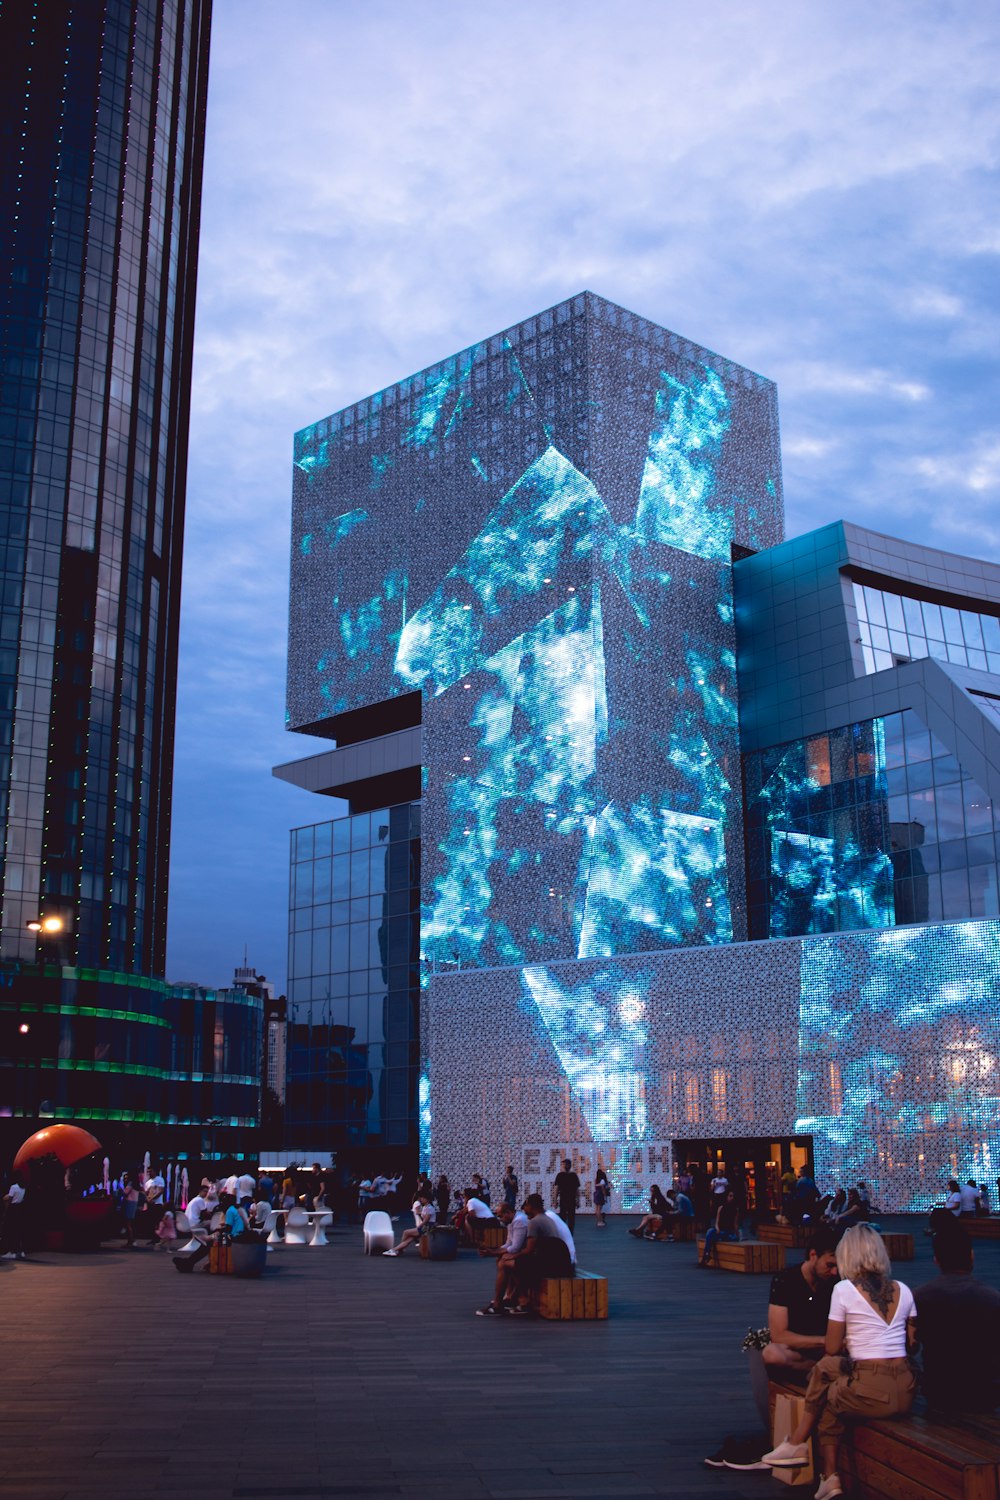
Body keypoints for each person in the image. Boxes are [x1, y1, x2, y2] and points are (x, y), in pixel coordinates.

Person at [763, 1224, 917, 1500]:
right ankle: (817, 1468)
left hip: (871, 1388)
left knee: (829, 1398)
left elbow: (833, 1347)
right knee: (826, 1371)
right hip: (906, 1387)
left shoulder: (844, 1290)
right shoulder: (904, 1289)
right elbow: (912, 1345)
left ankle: (811, 1458)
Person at [914, 1219, 1000, 1413]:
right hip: (987, 1392)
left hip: (939, 1391)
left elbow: (911, 1345)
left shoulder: (919, 1296)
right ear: (971, 1256)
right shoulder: (993, 1298)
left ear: (936, 1260)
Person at [762, 1227, 841, 1374]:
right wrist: (824, 1341)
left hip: (829, 1352)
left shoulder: (838, 1282)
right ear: (813, 1255)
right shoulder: (786, 1279)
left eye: (838, 1266)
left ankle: (821, 1370)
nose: (834, 1271)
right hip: (800, 1350)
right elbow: (778, 1336)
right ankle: (820, 1371)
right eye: (829, 1265)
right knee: (772, 1354)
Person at [501, 1194, 574, 1314]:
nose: (524, 1209)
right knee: (519, 1262)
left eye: (526, 1206)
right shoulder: (547, 1218)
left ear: (531, 1206)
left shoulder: (534, 1222)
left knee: (510, 1263)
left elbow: (529, 1250)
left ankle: (523, 1301)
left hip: (552, 1265)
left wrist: (513, 1255)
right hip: (561, 1262)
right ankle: (515, 1297)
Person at [475, 1202, 529, 1314]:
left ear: (508, 1213)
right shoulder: (512, 1221)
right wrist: (493, 1251)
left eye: (500, 1216)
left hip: (529, 1255)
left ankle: (498, 1303)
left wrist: (493, 1252)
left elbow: (515, 1247)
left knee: (503, 1261)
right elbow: (508, 1244)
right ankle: (507, 1297)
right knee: (501, 1259)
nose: (499, 1219)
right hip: (524, 1254)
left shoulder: (519, 1221)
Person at [699, 1188, 740, 1266]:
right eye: (730, 1196)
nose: (732, 1198)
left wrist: (737, 1234)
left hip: (728, 1231)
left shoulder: (736, 1209)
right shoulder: (721, 1207)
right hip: (720, 1230)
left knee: (728, 1237)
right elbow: (717, 1221)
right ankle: (707, 1255)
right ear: (726, 1196)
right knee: (710, 1231)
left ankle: (707, 1255)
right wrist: (717, 1228)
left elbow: (735, 1224)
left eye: (733, 1196)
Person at [0, 1172, 27, 1260]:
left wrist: (5, 1211)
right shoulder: (23, 1187)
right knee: (18, 1230)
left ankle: (9, 1252)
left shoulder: (13, 1187)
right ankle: (20, 1251)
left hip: (12, 1209)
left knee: (9, 1230)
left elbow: (10, 1200)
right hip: (20, 1209)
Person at [553, 1158, 580, 1233]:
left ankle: (563, 1234)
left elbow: (556, 1189)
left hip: (564, 1199)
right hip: (571, 1200)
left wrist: (555, 1201)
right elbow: (577, 1190)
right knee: (571, 1219)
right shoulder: (573, 1175)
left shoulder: (560, 1175)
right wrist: (578, 1201)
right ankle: (570, 1234)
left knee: (563, 1218)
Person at [119, 1170, 141, 1250]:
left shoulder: (130, 1183)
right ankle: (132, 1240)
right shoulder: (137, 1184)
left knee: (128, 1223)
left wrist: (121, 1188)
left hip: (129, 1203)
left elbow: (125, 1193)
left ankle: (130, 1241)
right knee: (130, 1223)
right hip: (134, 1203)